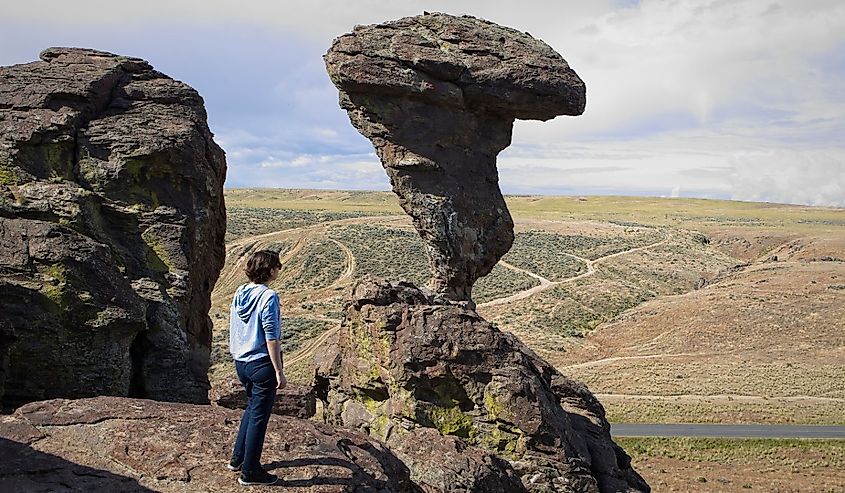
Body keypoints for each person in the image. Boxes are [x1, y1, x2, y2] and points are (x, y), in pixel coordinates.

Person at [227, 250, 286, 486]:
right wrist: (279, 370)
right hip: (261, 363)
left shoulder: (240, 292)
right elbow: (271, 336)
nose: (278, 270)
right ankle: (250, 472)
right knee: (259, 418)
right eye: (277, 267)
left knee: (251, 410)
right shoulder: (268, 296)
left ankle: (237, 459)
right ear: (270, 270)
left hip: (241, 362)